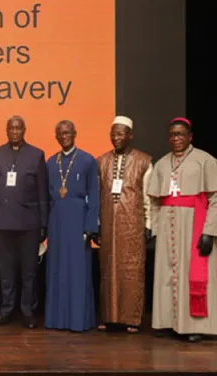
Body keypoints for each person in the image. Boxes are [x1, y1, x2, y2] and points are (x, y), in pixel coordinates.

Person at [149, 117, 217, 343]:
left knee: (190, 274)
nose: (175, 139)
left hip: (193, 224)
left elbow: (215, 198)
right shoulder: (161, 164)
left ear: (190, 137)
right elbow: (155, 201)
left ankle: (193, 325)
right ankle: (167, 322)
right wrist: (155, 228)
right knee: (167, 274)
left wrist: (209, 230)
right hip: (168, 225)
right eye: (172, 135)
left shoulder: (205, 160)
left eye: (180, 135)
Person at [0, 116, 49, 327]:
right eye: (11, 128)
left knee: (29, 272)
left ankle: (28, 311)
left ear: (24, 130)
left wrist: (44, 223)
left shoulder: (36, 155)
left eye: (18, 128)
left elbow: (42, 193)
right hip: (1, 224)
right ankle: (6, 310)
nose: (15, 132)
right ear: (6, 130)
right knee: (6, 272)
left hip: (29, 224)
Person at [97, 116, 153, 333]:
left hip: (133, 225)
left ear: (130, 135)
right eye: (113, 133)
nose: (116, 138)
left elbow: (148, 196)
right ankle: (109, 317)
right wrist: (98, 224)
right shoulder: (101, 161)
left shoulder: (144, 161)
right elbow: (98, 195)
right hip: (109, 225)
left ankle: (132, 319)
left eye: (120, 133)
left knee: (132, 271)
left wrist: (148, 223)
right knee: (107, 270)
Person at [45, 120, 99, 332]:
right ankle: (56, 320)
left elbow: (93, 195)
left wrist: (90, 227)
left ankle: (78, 320)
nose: (64, 136)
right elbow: (48, 196)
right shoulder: (50, 162)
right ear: (56, 136)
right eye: (60, 134)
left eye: (67, 133)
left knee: (78, 271)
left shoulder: (87, 160)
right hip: (57, 220)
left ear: (75, 133)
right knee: (57, 269)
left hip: (78, 220)